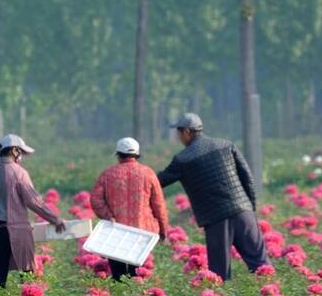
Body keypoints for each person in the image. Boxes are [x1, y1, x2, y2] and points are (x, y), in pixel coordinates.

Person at [157, 112, 270, 281]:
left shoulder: (183, 159)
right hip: (243, 212)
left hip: (217, 219)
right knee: (261, 265)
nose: (179, 137)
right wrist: (250, 208)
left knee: (219, 273)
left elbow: (159, 181)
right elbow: (247, 177)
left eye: (179, 133)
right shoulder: (226, 145)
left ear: (187, 132)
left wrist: (139, 178)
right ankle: (274, 294)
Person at [0, 134, 65, 289]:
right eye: (21, 151)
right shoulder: (19, 173)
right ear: (15, 151)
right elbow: (34, 201)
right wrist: (54, 219)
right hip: (17, 231)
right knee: (27, 272)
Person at [90, 137, 169, 281]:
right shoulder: (148, 173)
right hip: (143, 233)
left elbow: (96, 200)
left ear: (118, 154)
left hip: (116, 232)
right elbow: (159, 205)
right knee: (137, 274)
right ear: (137, 155)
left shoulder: (108, 174)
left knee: (118, 275)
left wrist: (107, 215)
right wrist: (163, 230)